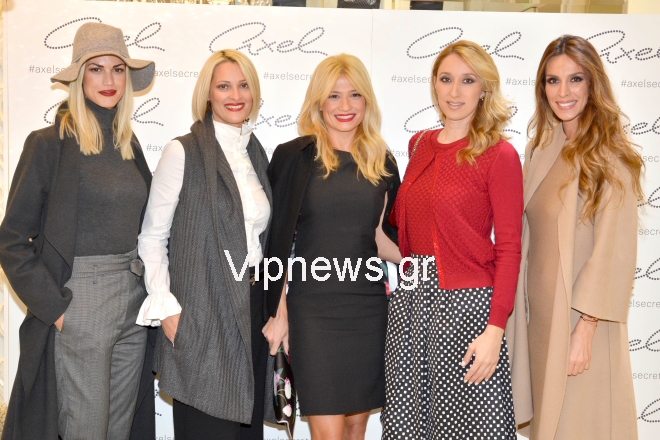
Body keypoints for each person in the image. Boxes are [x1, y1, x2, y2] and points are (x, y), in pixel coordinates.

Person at [0, 23, 155, 440]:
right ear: (79, 77)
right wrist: (58, 310)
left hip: (134, 297)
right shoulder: (48, 144)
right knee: (85, 430)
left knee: (119, 431)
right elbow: (12, 240)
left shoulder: (129, 145)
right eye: (96, 69)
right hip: (82, 298)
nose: (109, 80)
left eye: (118, 69)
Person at [382, 40, 522, 439]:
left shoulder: (499, 155)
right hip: (411, 303)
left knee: (470, 427)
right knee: (408, 424)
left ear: (484, 89)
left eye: (467, 81)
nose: (455, 91)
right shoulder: (419, 145)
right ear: (434, 85)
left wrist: (495, 330)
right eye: (446, 79)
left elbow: (509, 248)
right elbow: (410, 233)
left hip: (468, 309)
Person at [508, 35, 641, 440]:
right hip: (539, 322)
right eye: (553, 81)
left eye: (575, 79)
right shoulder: (541, 149)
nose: (563, 92)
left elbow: (613, 250)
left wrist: (586, 329)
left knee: (581, 426)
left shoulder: (610, 156)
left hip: (580, 321)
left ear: (592, 83)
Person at [262, 53, 401, 440]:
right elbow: (276, 242)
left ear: (367, 101)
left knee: (356, 427)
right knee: (328, 432)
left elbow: (379, 236)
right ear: (318, 101)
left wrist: (428, 260)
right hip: (313, 311)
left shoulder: (381, 160)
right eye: (334, 96)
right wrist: (280, 310)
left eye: (354, 95)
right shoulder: (294, 156)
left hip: (368, 308)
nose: (345, 105)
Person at [136, 49, 273, 440]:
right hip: (202, 314)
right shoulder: (182, 151)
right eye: (224, 86)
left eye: (243, 85)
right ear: (208, 94)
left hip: (251, 310)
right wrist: (167, 308)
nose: (235, 95)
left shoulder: (255, 154)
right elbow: (152, 235)